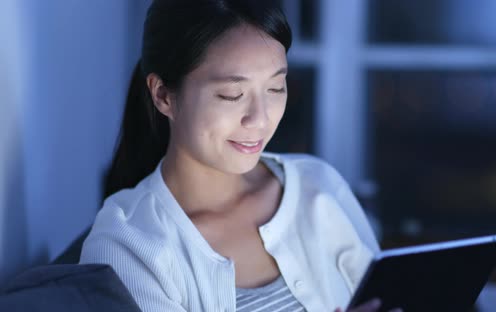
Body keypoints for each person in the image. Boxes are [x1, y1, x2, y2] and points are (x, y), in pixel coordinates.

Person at [80, 1, 397, 311]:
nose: (259, 119)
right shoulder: (127, 242)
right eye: (232, 95)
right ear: (163, 95)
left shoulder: (318, 185)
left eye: (275, 88)